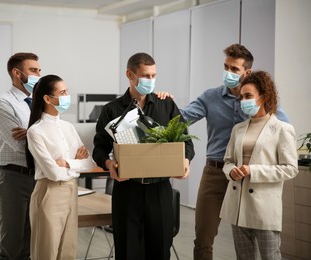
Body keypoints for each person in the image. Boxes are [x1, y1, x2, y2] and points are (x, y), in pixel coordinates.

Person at [178, 44, 289, 260]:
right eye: (226, 67)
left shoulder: (260, 99)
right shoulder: (210, 97)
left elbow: (282, 129)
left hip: (249, 176)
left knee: (256, 241)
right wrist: (162, 102)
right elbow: (181, 118)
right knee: (203, 238)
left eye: (234, 69)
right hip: (216, 172)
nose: (228, 73)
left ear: (247, 72)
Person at [93, 52, 195, 260]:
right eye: (145, 76)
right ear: (129, 74)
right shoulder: (111, 110)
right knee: (127, 251)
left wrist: (185, 161)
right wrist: (108, 164)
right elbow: (99, 148)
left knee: (160, 250)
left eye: (153, 76)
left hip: (160, 190)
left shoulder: (166, 105)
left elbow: (187, 142)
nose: (151, 81)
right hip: (127, 190)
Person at [220, 71, 298, 259]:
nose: (243, 101)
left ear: (264, 97)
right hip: (237, 206)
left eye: (248, 96)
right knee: (243, 257)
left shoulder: (282, 129)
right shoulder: (238, 129)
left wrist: (252, 171)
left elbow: (290, 168)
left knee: (270, 256)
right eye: (241, 97)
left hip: (264, 208)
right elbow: (228, 161)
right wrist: (232, 172)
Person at [26, 74, 95, 260]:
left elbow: (89, 164)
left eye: (67, 92)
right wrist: (75, 164)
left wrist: (67, 163)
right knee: (46, 252)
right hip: (49, 192)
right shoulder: (35, 131)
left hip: (72, 190)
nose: (67, 96)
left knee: (68, 251)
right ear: (48, 99)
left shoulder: (68, 127)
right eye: (62, 92)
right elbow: (53, 173)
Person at [0, 52, 41, 260]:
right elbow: (20, 144)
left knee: (30, 246)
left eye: (39, 70)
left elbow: (52, 137)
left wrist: (31, 132)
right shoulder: (2, 103)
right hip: (14, 178)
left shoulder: (39, 103)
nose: (39, 74)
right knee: (11, 247)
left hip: (38, 176)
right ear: (17, 73)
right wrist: (36, 135)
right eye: (34, 70)